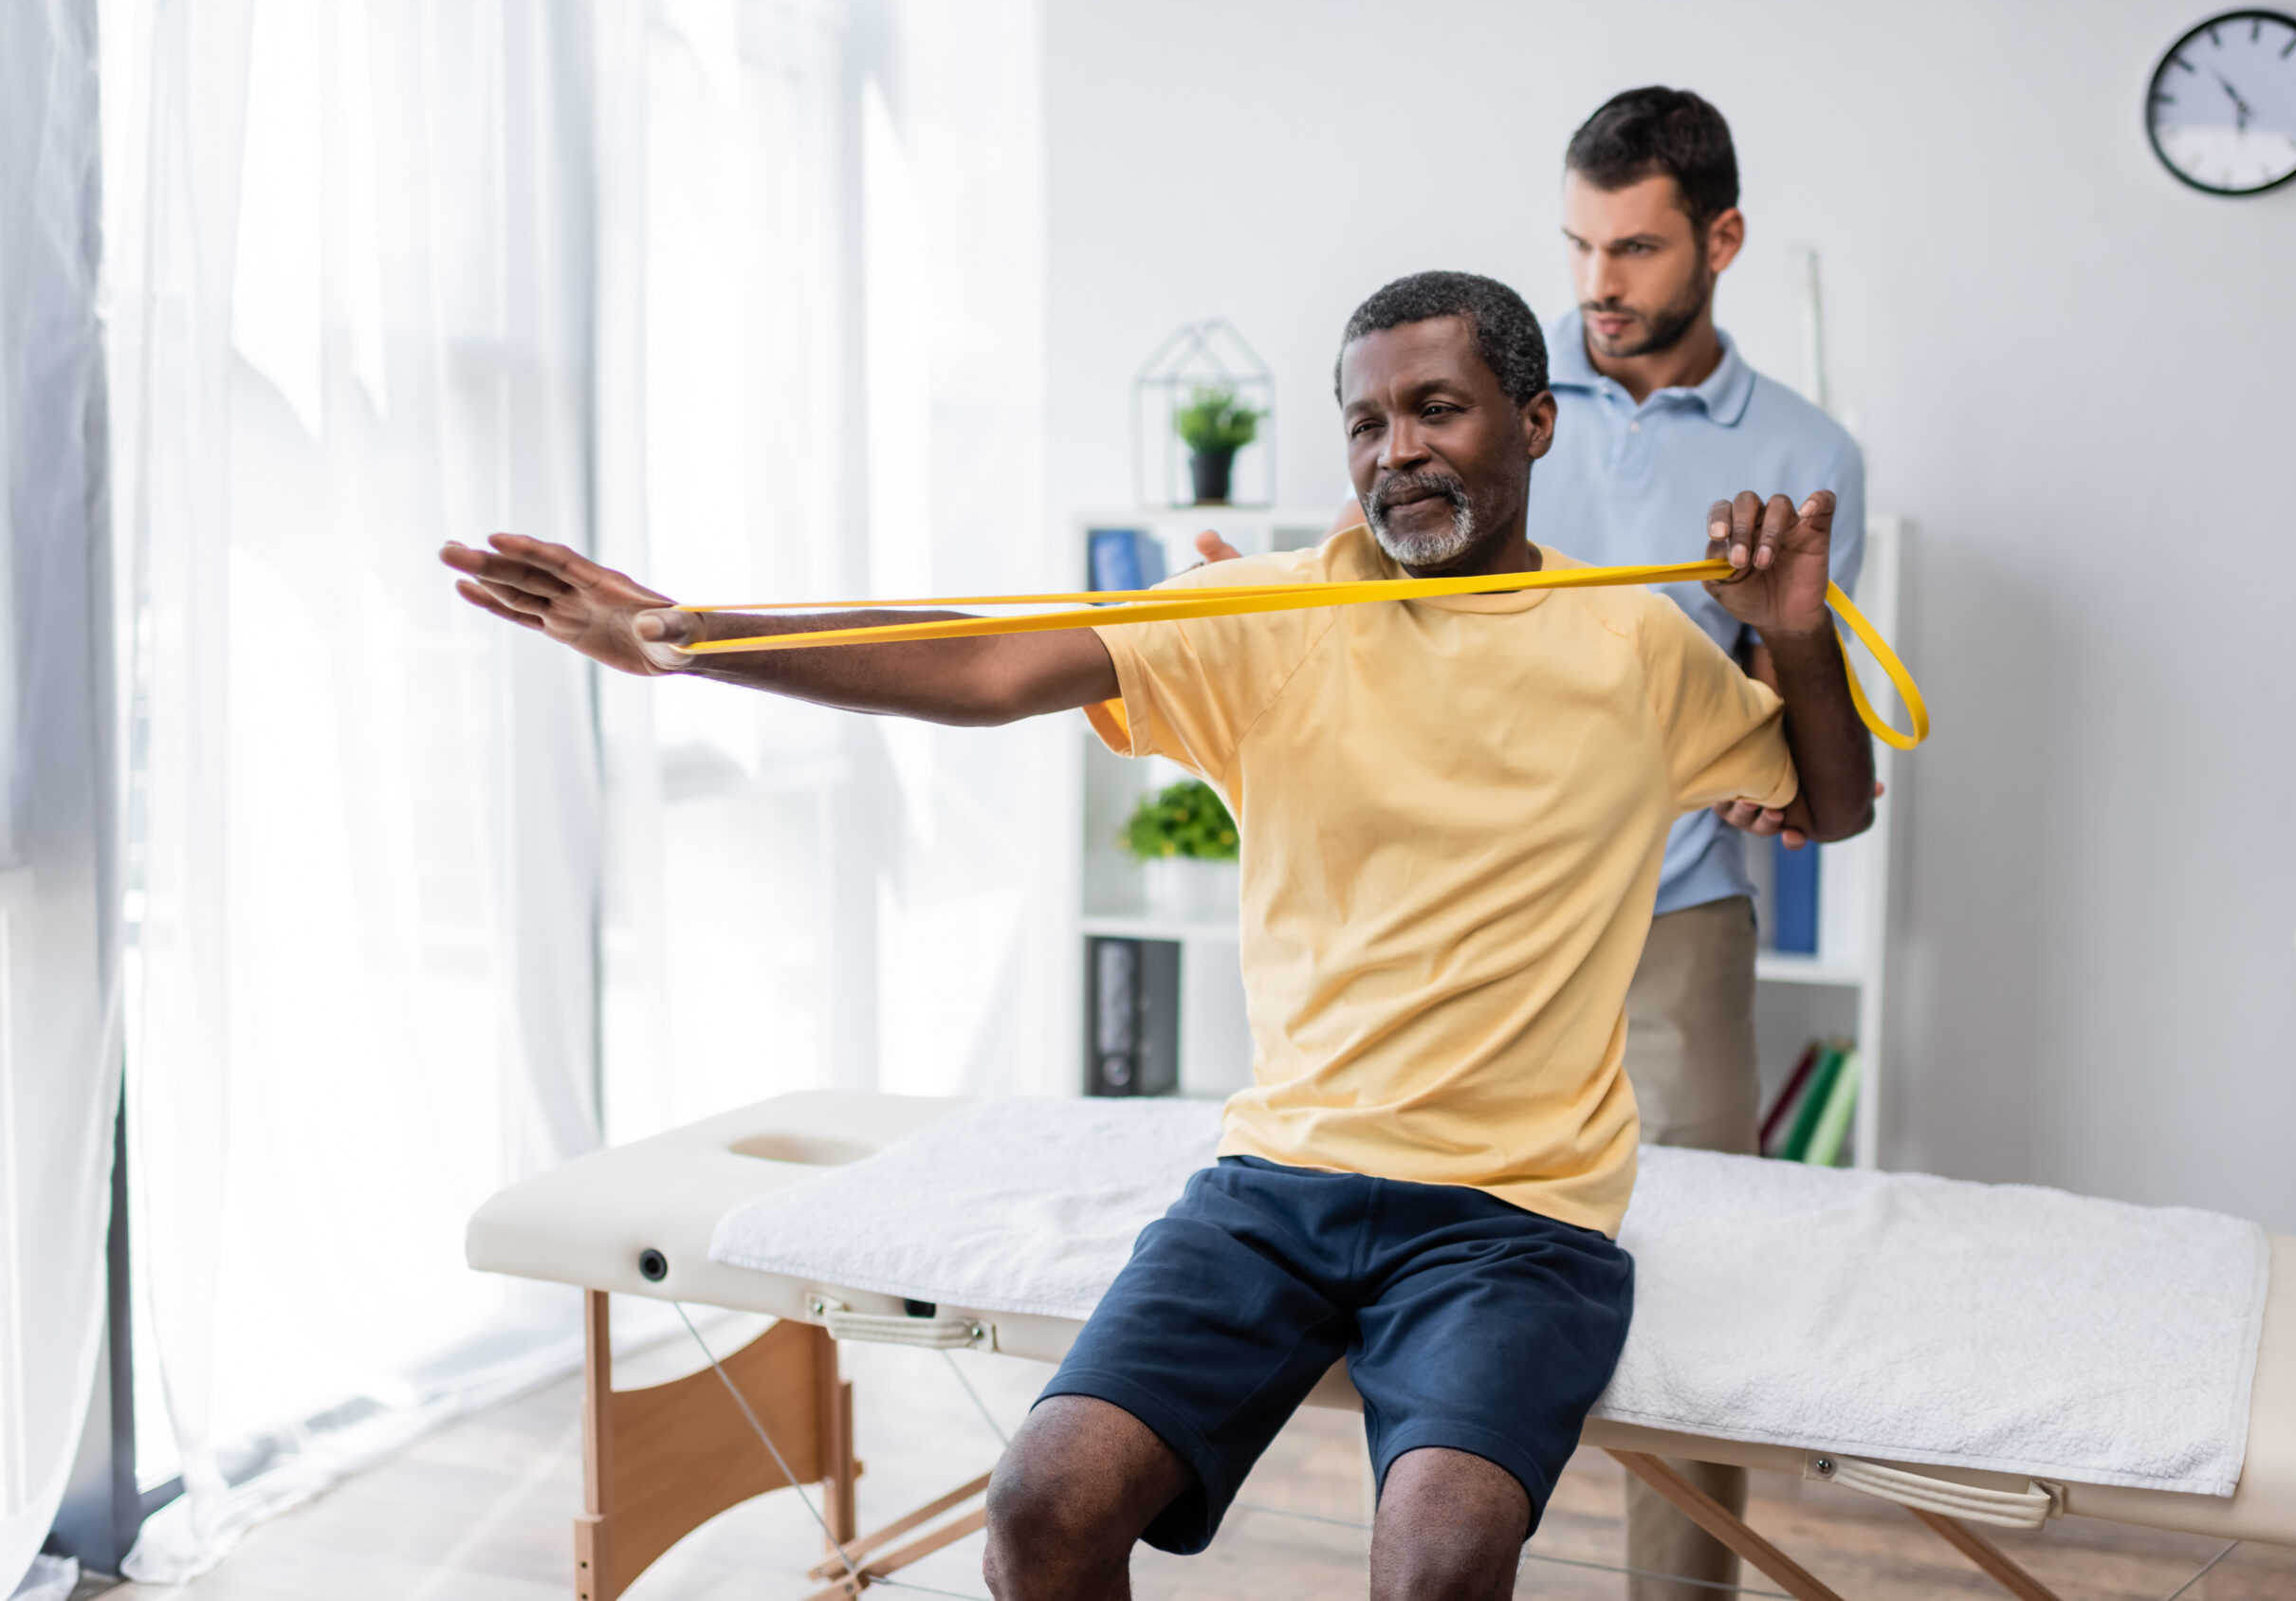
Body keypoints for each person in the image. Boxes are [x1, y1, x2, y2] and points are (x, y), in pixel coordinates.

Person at [442, 270, 1876, 1601]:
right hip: (1278, 1184)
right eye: (1366, 421)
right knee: (1041, 1506)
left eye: (1437, 407)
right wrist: (691, 635)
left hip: (1517, 1219)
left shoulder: (1634, 649)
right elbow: (986, 659)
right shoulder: (1262, 613)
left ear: (1535, 423)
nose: (1397, 450)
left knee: (1439, 1559)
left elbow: (1830, 798)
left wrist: (1793, 633)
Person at [1197, 89, 1868, 1596]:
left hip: (1676, 911)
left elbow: (1788, 722)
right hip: (1465, 915)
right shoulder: (1480, 382)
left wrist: (1765, 709)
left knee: (1702, 1287)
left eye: (1633, 249)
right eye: (1578, 246)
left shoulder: (1807, 448)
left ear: (1722, 242)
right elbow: (1410, 603)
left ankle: (1677, 1589)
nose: (1598, 285)